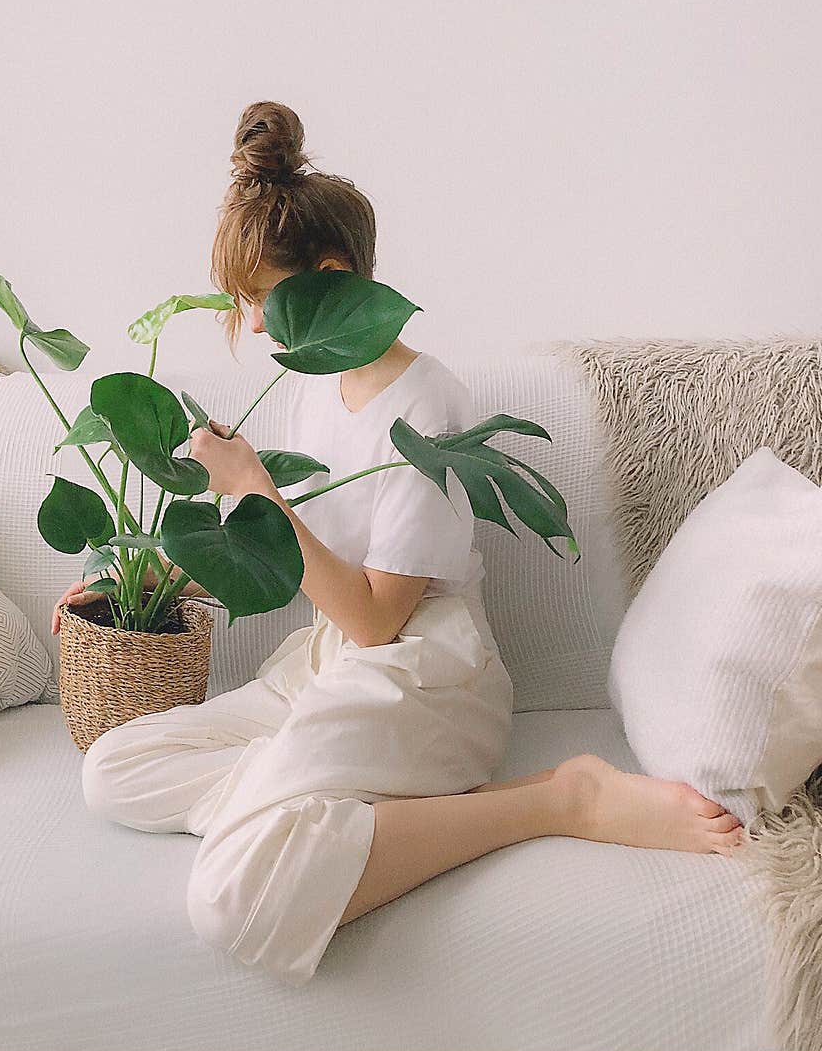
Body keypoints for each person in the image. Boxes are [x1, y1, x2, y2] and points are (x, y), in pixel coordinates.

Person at [52, 100, 743, 987]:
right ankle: (319, 793)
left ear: (333, 273)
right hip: (324, 671)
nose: (254, 326)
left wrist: (258, 490)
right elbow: (271, 563)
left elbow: (378, 620)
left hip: (422, 678)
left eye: (261, 297)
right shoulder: (307, 389)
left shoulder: (428, 403)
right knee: (112, 770)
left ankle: (556, 800)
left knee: (231, 898)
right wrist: (124, 586)